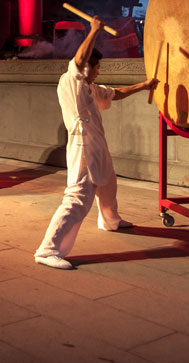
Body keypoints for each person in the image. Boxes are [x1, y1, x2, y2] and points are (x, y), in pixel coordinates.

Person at [34, 16, 157, 270]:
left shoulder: (90, 88)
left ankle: (110, 220)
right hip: (82, 147)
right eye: (97, 66)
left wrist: (144, 85)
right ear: (88, 66)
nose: (99, 71)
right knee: (78, 198)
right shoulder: (72, 80)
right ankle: (47, 250)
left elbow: (116, 93)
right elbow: (78, 60)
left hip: (97, 145)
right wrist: (94, 31)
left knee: (108, 184)